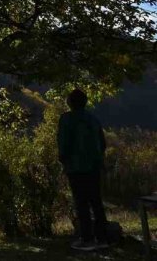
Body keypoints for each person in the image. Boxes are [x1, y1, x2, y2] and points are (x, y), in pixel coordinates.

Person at [57, 88, 109, 251]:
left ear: (70, 102)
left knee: (81, 203)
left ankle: (87, 238)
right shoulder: (93, 119)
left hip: (76, 166)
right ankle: (102, 238)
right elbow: (103, 143)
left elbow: (64, 143)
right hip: (94, 165)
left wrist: (63, 160)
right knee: (96, 201)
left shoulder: (66, 119)